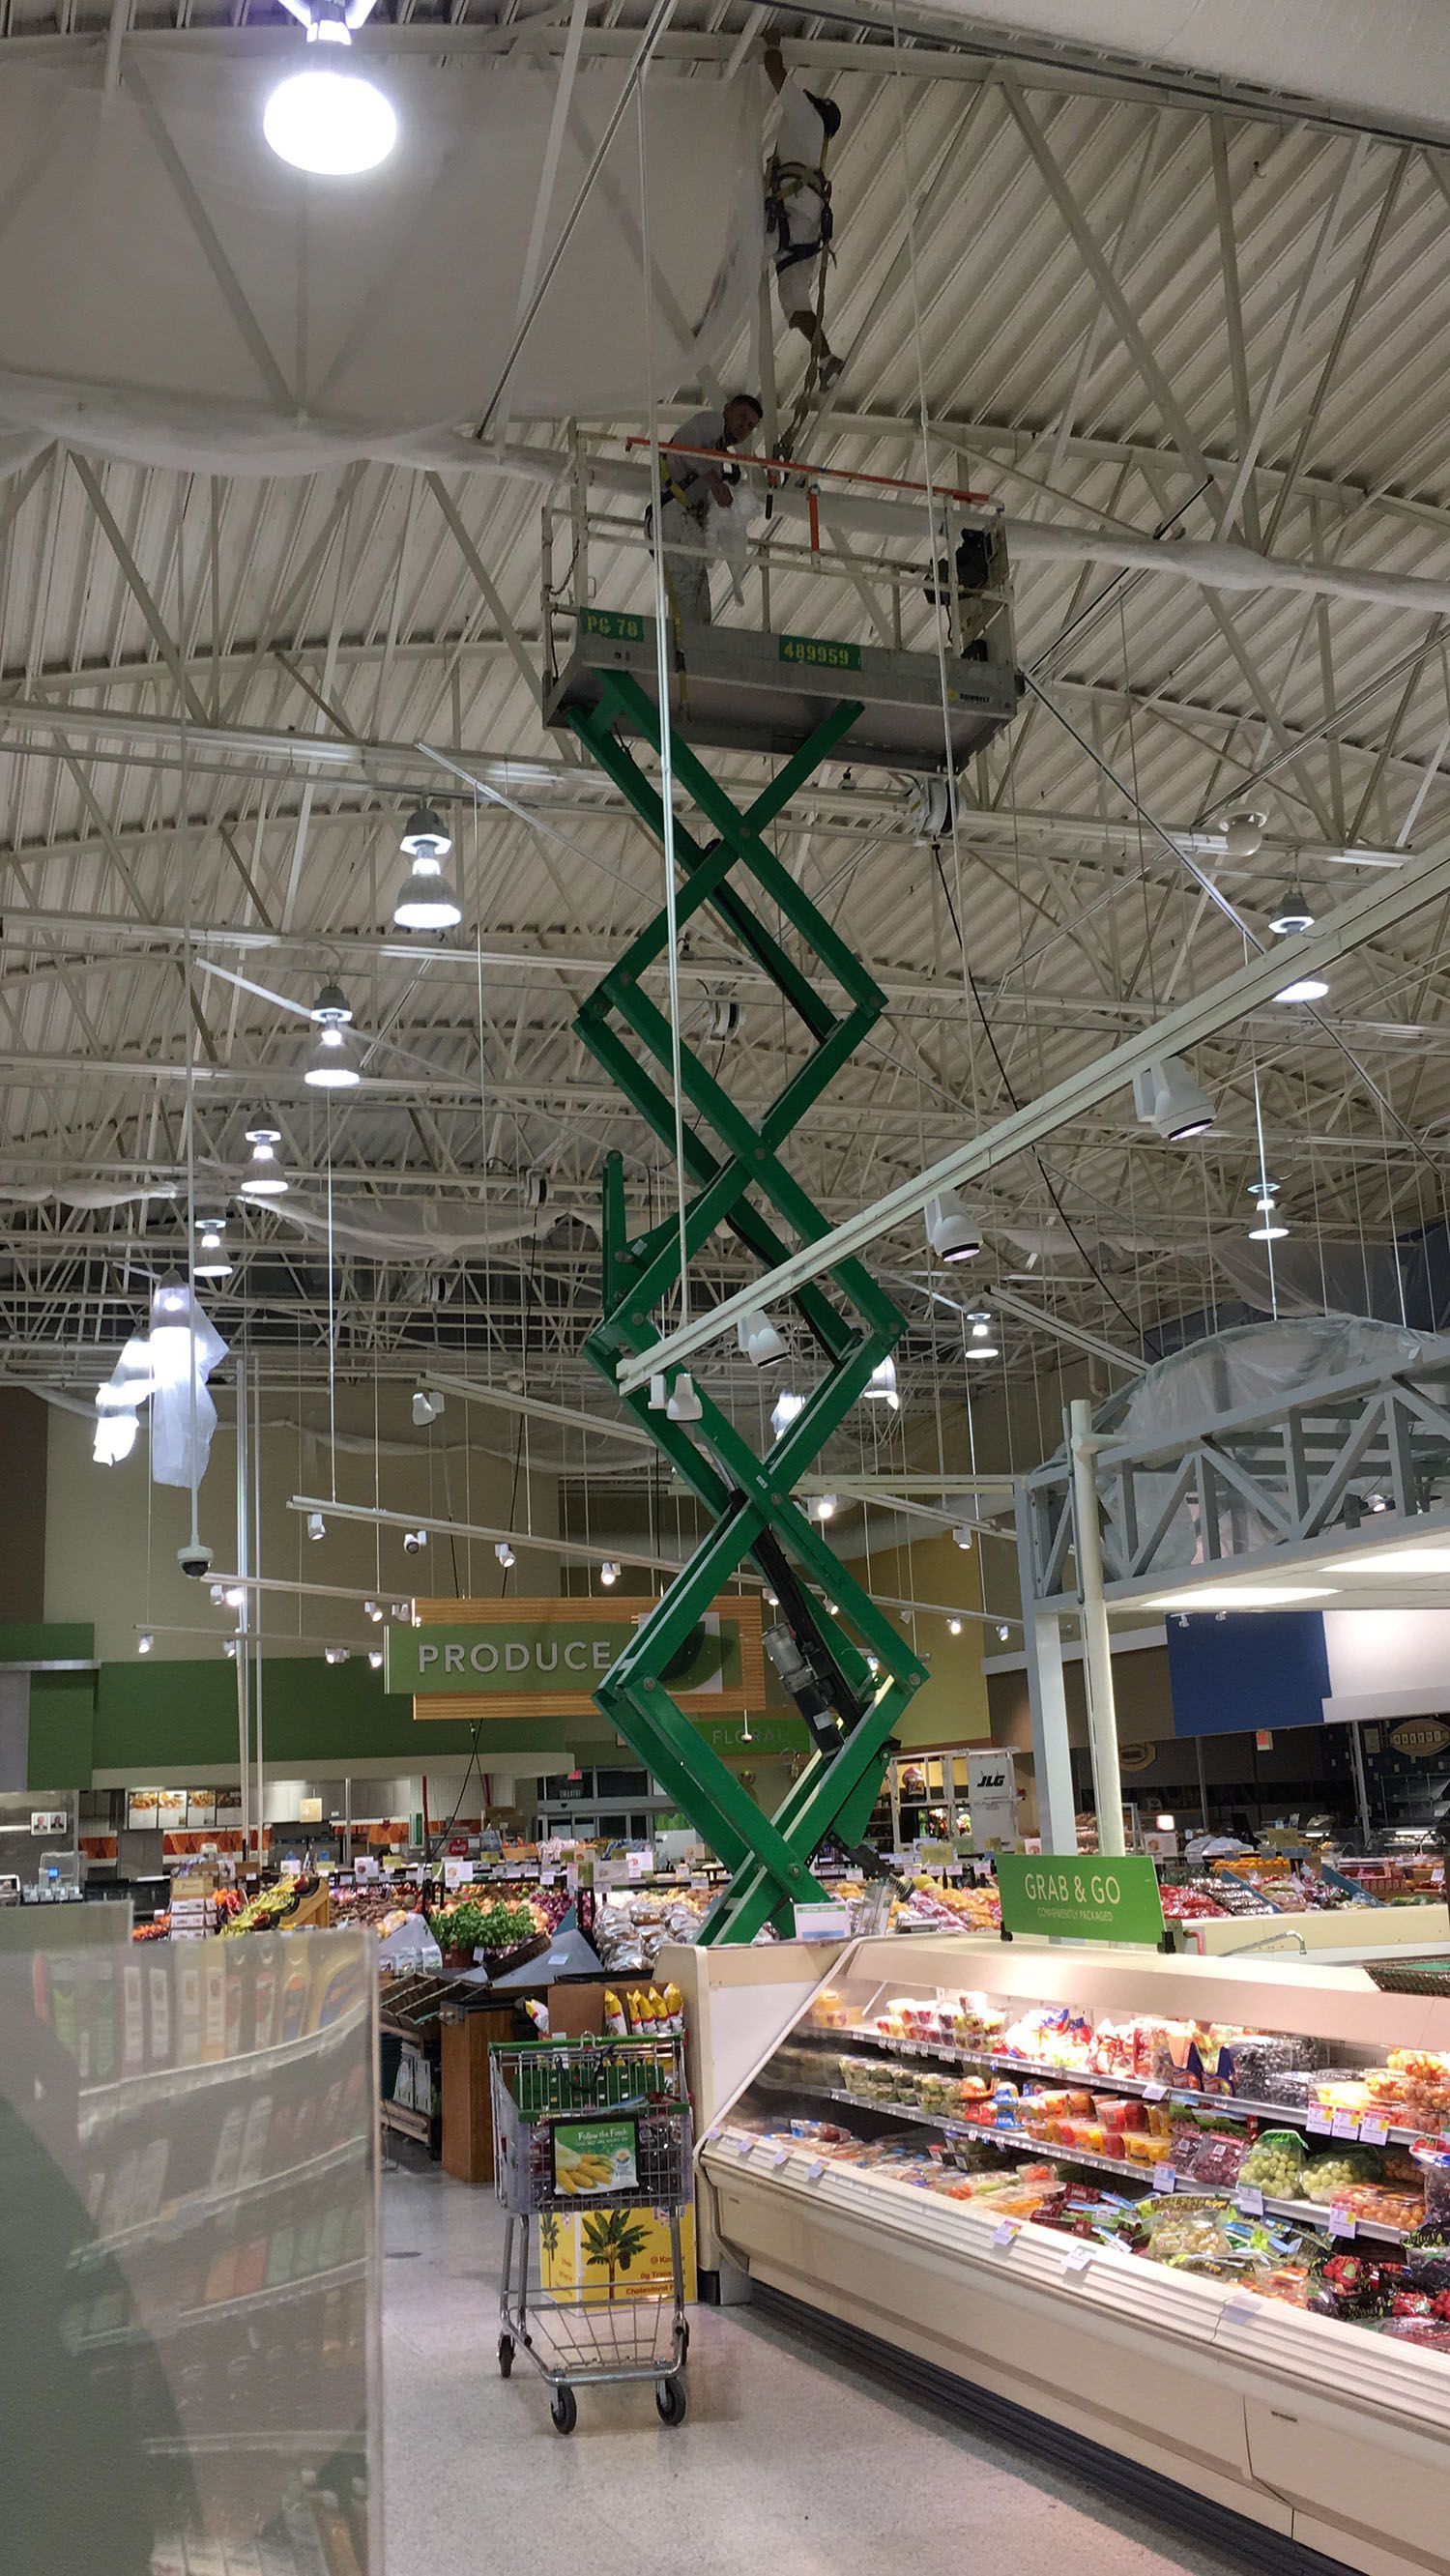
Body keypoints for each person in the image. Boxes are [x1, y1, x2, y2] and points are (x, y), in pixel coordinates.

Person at [763, 42, 843, 391]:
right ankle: (827, 361)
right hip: (805, 225)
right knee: (796, 306)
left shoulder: (806, 116)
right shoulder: (811, 145)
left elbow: (774, 71)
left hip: (791, 213)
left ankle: (704, 322)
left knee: (743, 258)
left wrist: (772, 45)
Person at [651, 392, 763, 630]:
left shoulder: (719, 456)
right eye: (742, 417)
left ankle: (693, 641)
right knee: (687, 584)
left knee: (695, 583)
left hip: (685, 519)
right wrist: (716, 482)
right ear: (728, 408)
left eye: (750, 426)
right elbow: (687, 448)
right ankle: (686, 648)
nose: (743, 427)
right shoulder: (712, 422)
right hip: (673, 513)